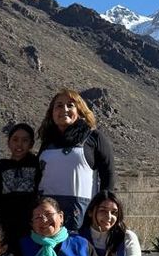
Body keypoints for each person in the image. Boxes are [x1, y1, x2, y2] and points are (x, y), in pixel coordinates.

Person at [35, 90, 114, 232]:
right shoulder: (47, 142)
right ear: (52, 113)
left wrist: (104, 208)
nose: (64, 109)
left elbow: (108, 174)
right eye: (59, 106)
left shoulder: (93, 137)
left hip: (81, 215)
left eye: (70, 105)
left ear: (79, 110)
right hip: (47, 214)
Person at [0, 122, 39, 250]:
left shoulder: (37, 166)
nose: (19, 144)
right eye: (15, 140)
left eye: (25, 140)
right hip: (3, 227)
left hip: (29, 228)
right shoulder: (1, 167)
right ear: (9, 142)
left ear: (31, 144)